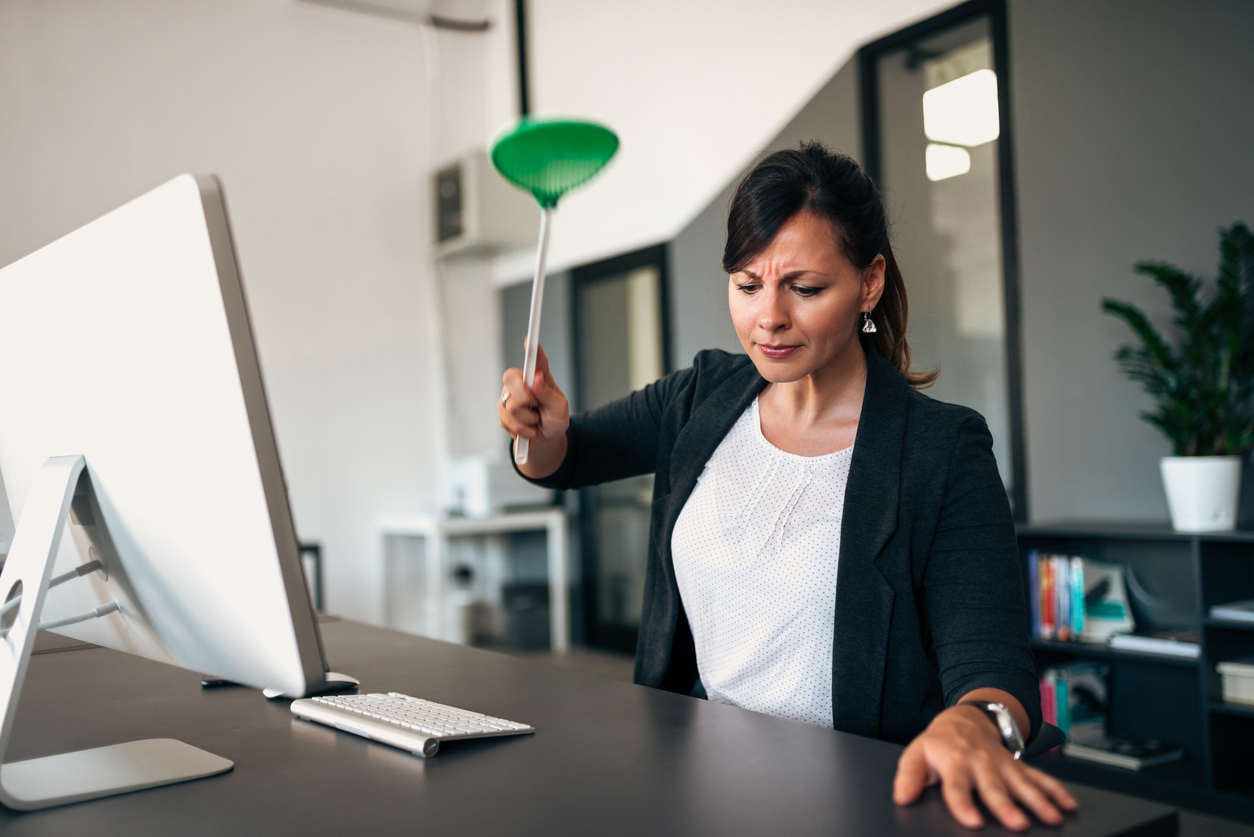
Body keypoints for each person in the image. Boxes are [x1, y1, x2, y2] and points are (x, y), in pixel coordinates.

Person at [497, 141, 1077, 831]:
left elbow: (992, 664)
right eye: (747, 284)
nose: (768, 316)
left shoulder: (941, 449)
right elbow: (565, 458)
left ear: (869, 283)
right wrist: (540, 429)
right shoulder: (700, 398)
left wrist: (975, 725)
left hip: (858, 796)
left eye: (804, 288)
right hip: (698, 781)